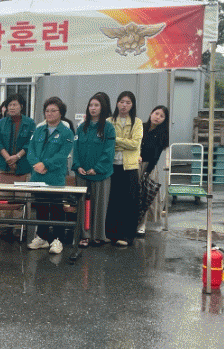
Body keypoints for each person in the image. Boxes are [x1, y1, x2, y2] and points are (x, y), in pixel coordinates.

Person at [27, 96, 74, 255]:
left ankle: (57, 240)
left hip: (54, 177)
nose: (49, 113)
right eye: (47, 110)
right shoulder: (39, 130)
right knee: (40, 208)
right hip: (38, 177)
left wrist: (45, 165)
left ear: (61, 113)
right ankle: (42, 237)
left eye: (53, 110)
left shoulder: (66, 132)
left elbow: (62, 155)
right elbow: (31, 150)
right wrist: (36, 164)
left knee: (56, 209)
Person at [71, 93, 116, 247]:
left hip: (101, 174)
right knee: (83, 206)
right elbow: (76, 149)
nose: (93, 108)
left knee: (99, 205)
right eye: (91, 105)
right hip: (82, 174)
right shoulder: (81, 127)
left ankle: (98, 235)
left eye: (96, 105)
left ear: (102, 108)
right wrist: (78, 166)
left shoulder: (108, 128)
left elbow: (109, 151)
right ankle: (84, 236)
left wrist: (97, 168)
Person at [105, 91, 143, 246]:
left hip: (130, 167)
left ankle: (127, 235)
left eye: (128, 102)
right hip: (112, 165)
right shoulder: (109, 121)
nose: (124, 105)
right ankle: (111, 233)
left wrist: (115, 140)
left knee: (129, 202)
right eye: (121, 101)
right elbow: (106, 141)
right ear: (117, 103)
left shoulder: (137, 122)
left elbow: (135, 144)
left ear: (132, 105)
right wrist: (123, 142)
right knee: (113, 200)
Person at [137, 105, 169, 235]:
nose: (158, 117)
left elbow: (156, 156)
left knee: (146, 196)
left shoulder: (162, 134)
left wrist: (147, 171)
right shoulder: (140, 127)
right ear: (151, 113)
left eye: (162, 116)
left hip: (149, 167)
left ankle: (142, 224)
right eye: (156, 113)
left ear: (164, 120)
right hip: (134, 164)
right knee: (133, 194)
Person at [0, 93, 36, 177]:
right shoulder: (2, 122)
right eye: (9, 105)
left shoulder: (30, 123)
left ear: (21, 106)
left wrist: (17, 157)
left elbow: (31, 143)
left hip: (23, 167)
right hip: (4, 166)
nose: (11, 107)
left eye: (14, 105)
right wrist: (8, 159)